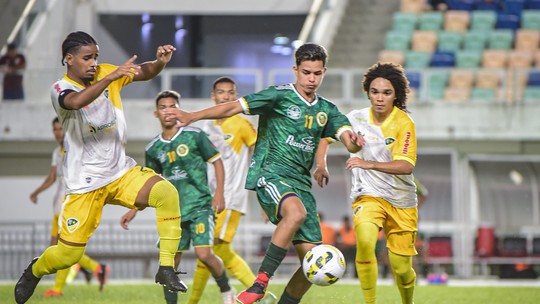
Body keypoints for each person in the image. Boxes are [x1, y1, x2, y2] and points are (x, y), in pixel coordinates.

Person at [170, 43, 362, 304]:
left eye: (317, 73)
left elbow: (347, 139)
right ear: (295, 70)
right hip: (270, 173)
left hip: (300, 185)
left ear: (324, 72)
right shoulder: (278, 96)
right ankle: (259, 283)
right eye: (306, 72)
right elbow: (232, 107)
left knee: (312, 262)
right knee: (296, 213)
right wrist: (193, 116)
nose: (311, 79)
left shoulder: (326, 109)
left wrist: (354, 141)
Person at [14, 31, 186, 304]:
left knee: (167, 193)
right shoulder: (60, 88)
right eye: (87, 57)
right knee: (67, 256)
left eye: (96, 56)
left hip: (120, 172)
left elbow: (145, 72)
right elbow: (76, 102)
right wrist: (110, 77)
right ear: (69, 59)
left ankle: (166, 268)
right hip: (84, 184)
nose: (93, 62)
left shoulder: (107, 73)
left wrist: (160, 62)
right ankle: (35, 270)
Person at [315, 62, 418, 304]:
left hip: (401, 201)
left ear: (396, 95)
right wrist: (321, 164)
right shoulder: (356, 118)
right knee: (364, 241)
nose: (379, 98)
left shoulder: (404, 123)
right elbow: (326, 137)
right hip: (367, 195)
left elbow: (406, 166)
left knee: (401, 268)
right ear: (367, 92)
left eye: (386, 92)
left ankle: (408, 301)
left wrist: (368, 164)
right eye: (374, 91)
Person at [120, 90, 236, 304]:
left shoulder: (195, 135)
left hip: (200, 205)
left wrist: (219, 193)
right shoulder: (153, 148)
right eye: (163, 107)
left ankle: (227, 291)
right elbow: (149, 184)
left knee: (204, 254)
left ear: (179, 109)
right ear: (156, 113)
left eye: (172, 106)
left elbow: (217, 161)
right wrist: (133, 210)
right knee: (170, 262)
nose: (168, 111)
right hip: (172, 213)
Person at [188, 76, 277, 304]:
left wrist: (264, 198)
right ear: (213, 96)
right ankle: (196, 301)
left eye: (230, 93)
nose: (225, 96)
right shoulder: (206, 126)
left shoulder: (241, 124)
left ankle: (260, 294)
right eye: (221, 92)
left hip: (230, 198)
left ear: (235, 97)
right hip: (208, 199)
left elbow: (260, 156)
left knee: (215, 249)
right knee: (207, 251)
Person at [29, 117, 108, 297]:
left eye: (61, 129)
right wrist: (36, 192)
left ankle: (58, 288)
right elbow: (51, 178)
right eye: (55, 129)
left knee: (62, 248)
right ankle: (96, 268)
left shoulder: (77, 149)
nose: (58, 132)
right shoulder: (57, 152)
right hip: (57, 207)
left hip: (70, 205)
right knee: (54, 248)